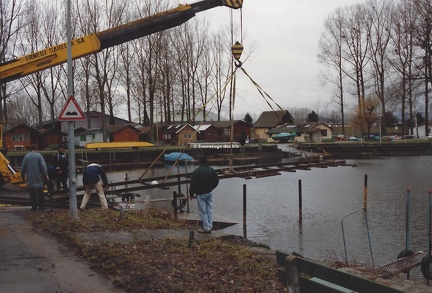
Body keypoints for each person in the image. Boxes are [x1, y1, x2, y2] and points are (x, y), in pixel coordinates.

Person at [189, 156, 219, 233]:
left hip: (201, 193)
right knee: (209, 209)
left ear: (199, 161)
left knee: (202, 211)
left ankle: (206, 227)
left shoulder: (197, 171)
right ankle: (210, 225)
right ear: (206, 161)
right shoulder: (211, 170)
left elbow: (192, 184)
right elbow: (216, 181)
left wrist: (191, 194)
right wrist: (211, 188)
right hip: (209, 192)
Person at [21, 145, 49, 211]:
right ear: (36, 149)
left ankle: (34, 207)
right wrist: (46, 175)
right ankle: (41, 207)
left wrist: (22, 176)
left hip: (30, 177)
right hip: (38, 176)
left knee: (32, 193)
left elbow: (23, 168)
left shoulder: (26, 157)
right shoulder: (39, 156)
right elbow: (43, 166)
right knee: (40, 192)